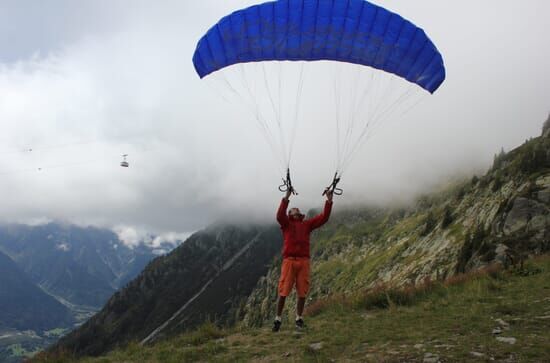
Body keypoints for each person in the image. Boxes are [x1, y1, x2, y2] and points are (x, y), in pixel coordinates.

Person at [272, 188, 333, 332]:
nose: (295, 209)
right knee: (283, 291)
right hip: (289, 261)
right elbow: (279, 215)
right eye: (293, 209)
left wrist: (329, 201)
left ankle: (299, 319)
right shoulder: (286, 224)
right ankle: (277, 319)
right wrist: (286, 197)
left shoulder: (307, 225)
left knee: (302, 292)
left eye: (296, 209)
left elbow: (323, 218)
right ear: (290, 214)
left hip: (303, 261)